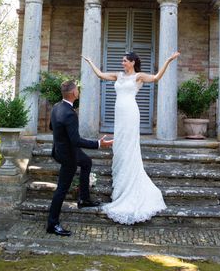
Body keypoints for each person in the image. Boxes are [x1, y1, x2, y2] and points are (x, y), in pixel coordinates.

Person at [82, 50, 180, 225]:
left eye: (125, 61)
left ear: (133, 62)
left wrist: (168, 61)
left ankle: (131, 186)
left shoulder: (139, 76)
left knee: (129, 147)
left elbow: (157, 77)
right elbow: (101, 75)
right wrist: (90, 62)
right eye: (122, 60)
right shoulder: (118, 75)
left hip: (131, 113)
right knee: (119, 147)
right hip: (119, 114)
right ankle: (121, 184)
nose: (122, 63)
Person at [47, 79, 113, 237]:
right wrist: (99, 144)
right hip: (68, 155)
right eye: (77, 89)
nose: (78, 90)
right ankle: (52, 224)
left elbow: (51, 127)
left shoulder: (57, 107)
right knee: (62, 189)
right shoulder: (70, 114)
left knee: (86, 162)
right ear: (73, 93)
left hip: (61, 149)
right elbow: (76, 140)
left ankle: (84, 199)